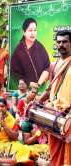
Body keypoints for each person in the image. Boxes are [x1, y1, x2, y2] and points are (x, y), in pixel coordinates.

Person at [40, 30, 71, 165]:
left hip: (69, 116)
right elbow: (49, 90)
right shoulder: (54, 65)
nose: (61, 45)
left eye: (65, 42)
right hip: (54, 115)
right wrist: (37, 101)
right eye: (58, 42)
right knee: (54, 152)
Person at [11, 18, 50, 85]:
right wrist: (28, 82)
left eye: (35, 30)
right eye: (30, 30)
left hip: (40, 88)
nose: (33, 33)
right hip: (25, 88)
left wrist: (39, 83)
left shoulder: (40, 47)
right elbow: (15, 73)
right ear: (24, 32)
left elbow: (47, 67)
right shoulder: (18, 50)